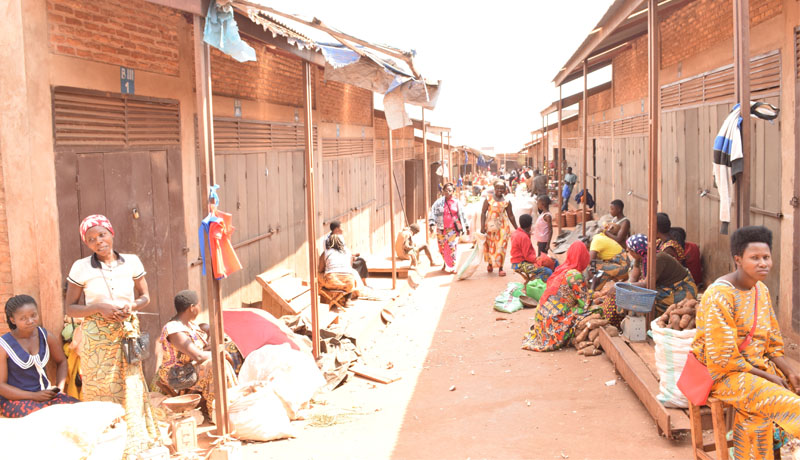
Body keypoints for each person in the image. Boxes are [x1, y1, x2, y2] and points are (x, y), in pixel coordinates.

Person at [692, 226, 800, 459]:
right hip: (724, 375)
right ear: (738, 260)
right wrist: (770, 377)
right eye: (755, 258)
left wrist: (789, 371)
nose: (763, 263)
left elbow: (772, 343)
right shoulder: (718, 295)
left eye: (766, 257)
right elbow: (722, 359)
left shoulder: (761, 290)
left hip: (757, 371)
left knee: (761, 413)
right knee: (790, 405)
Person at [64, 214, 159, 456]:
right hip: (97, 335)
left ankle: (135, 438)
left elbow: (145, 297)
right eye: (92, 239)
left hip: (129, 329)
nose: (99, 241)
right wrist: (98, 307)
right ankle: (105, 440)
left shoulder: (133, 262)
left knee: (132, 381)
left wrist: (132, 306)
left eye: (102, 235)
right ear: (87, 243)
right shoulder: (81, 267)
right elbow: (70, 308)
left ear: (111, 233)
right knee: (99, 385)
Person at [156, 290, 237, 414]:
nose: (200, 308)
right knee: (215, 364)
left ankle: (231, 405)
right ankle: (217, 413)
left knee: (221, 356)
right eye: (199, 305)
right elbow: (198, 356)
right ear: (192, 308)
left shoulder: (191, 326)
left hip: (190, 368)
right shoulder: (173, 329)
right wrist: (221, 354)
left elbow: (200, 350)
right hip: (177, 374)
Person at [0, 295, 78, 418]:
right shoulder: (4, 345)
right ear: (13, 320)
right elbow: (1, 386)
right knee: (45, 417)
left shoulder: (45, 336)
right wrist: (34, 396)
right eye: (23, 318)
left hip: (46, 396)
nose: (30, 321)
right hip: (16, 401)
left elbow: (62, 361)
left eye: (33, 315)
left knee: (80, 411)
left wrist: (60, 389)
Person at [522, 241, 592, 352]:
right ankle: (565, 336)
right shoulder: (575, 275)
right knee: (593, 311)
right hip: (552, 322)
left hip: (541, 319)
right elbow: (585, 304)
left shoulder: (562, 269)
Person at [626, 234, 697, 314]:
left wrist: (627, 286)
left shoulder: (657, 259)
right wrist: (626, 286)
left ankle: (651, 321)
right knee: (631, 296)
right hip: (666, 287)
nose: (627, 251)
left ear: (636, 252)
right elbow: (633, 276)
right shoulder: (641, 257)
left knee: (642, 301)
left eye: (629, 250)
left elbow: (646, 283)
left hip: (682, 290)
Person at [428, 182, 469, 272]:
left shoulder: (457, 203)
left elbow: (462, 215)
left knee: (451, 247)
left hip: (452, 229)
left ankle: (452, 266)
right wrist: (431, 223)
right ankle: (445, 263)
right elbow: (433, 213)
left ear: (453, 191)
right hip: (441, 229)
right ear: (443, 191)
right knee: (442, 247)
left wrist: (466, 226)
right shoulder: (438, 203)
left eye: (450, 190)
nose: (448, 192)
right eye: (446, 190)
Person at [481, 180, 518, 276]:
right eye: (497, 188)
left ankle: (500, 267)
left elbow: (511, 216)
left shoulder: (507, 201)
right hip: (490, 226)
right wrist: (482, 227)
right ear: (494, 188)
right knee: (490, 245)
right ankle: (490, 264)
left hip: (503, 227)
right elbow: (483, 213)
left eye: (502, 188)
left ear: (505, 189)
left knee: (501, 246)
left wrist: (517, 228)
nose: (500, 190)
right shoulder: (488, 199)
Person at [319, 234, 363, 300]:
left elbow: (320, 269)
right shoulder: (348, 252)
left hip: (331, 283)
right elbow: (349, 268)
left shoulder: (326, 252)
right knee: (352, 273)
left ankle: (324, 296)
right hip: (348, 284)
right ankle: (348, 298)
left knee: (317, 275)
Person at [510, 214, 552, 282]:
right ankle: (534, 284)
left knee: (544, 263)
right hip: (520, 264)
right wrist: (538, 260)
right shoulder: (524, 237)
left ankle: (533, 282)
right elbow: (527, 256)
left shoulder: (516, 233)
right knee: (547, 271)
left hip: (515, 262)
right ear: (530, 225)